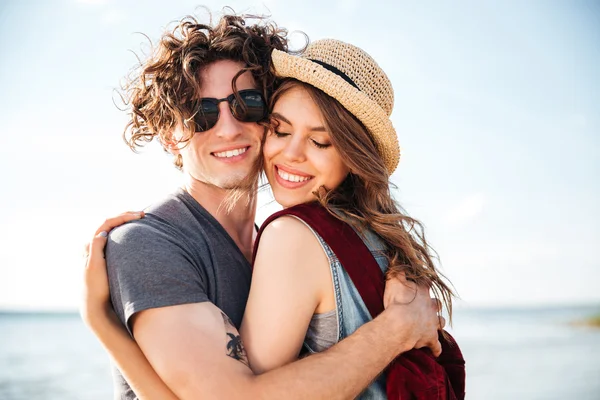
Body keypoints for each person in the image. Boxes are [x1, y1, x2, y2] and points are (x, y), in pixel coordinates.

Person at [81, 12, 451, 400]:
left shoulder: (290, 241)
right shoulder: (147, 244)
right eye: (201, 113)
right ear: (170, 137)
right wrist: (101, 322)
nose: (228, 128)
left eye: (247, 104)